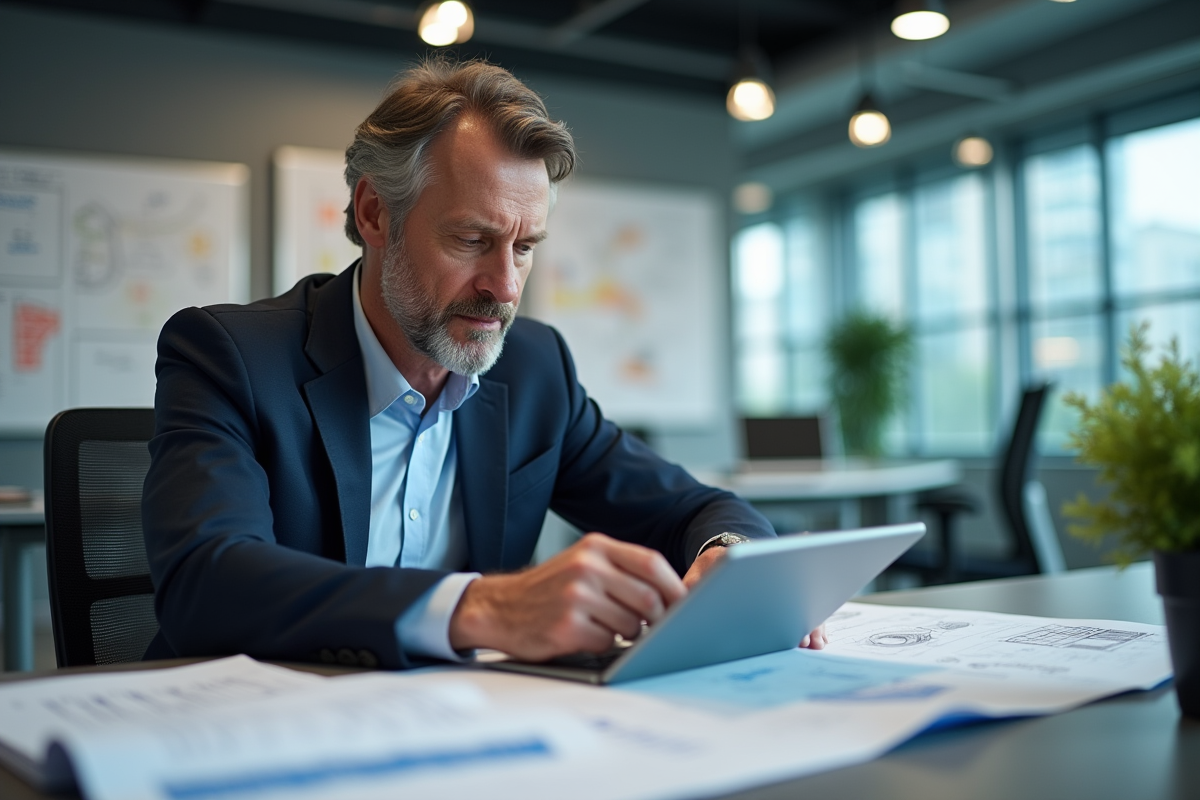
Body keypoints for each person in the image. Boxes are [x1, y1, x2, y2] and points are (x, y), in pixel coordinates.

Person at [141, 58, 825, 670]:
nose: (504, 287)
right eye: (472, 239)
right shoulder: (231, 355)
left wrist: (730, 556)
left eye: (524, 248)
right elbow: (206, 582)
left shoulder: (534, 370)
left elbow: (694, 507)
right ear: (375, 214)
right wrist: (482, 607)